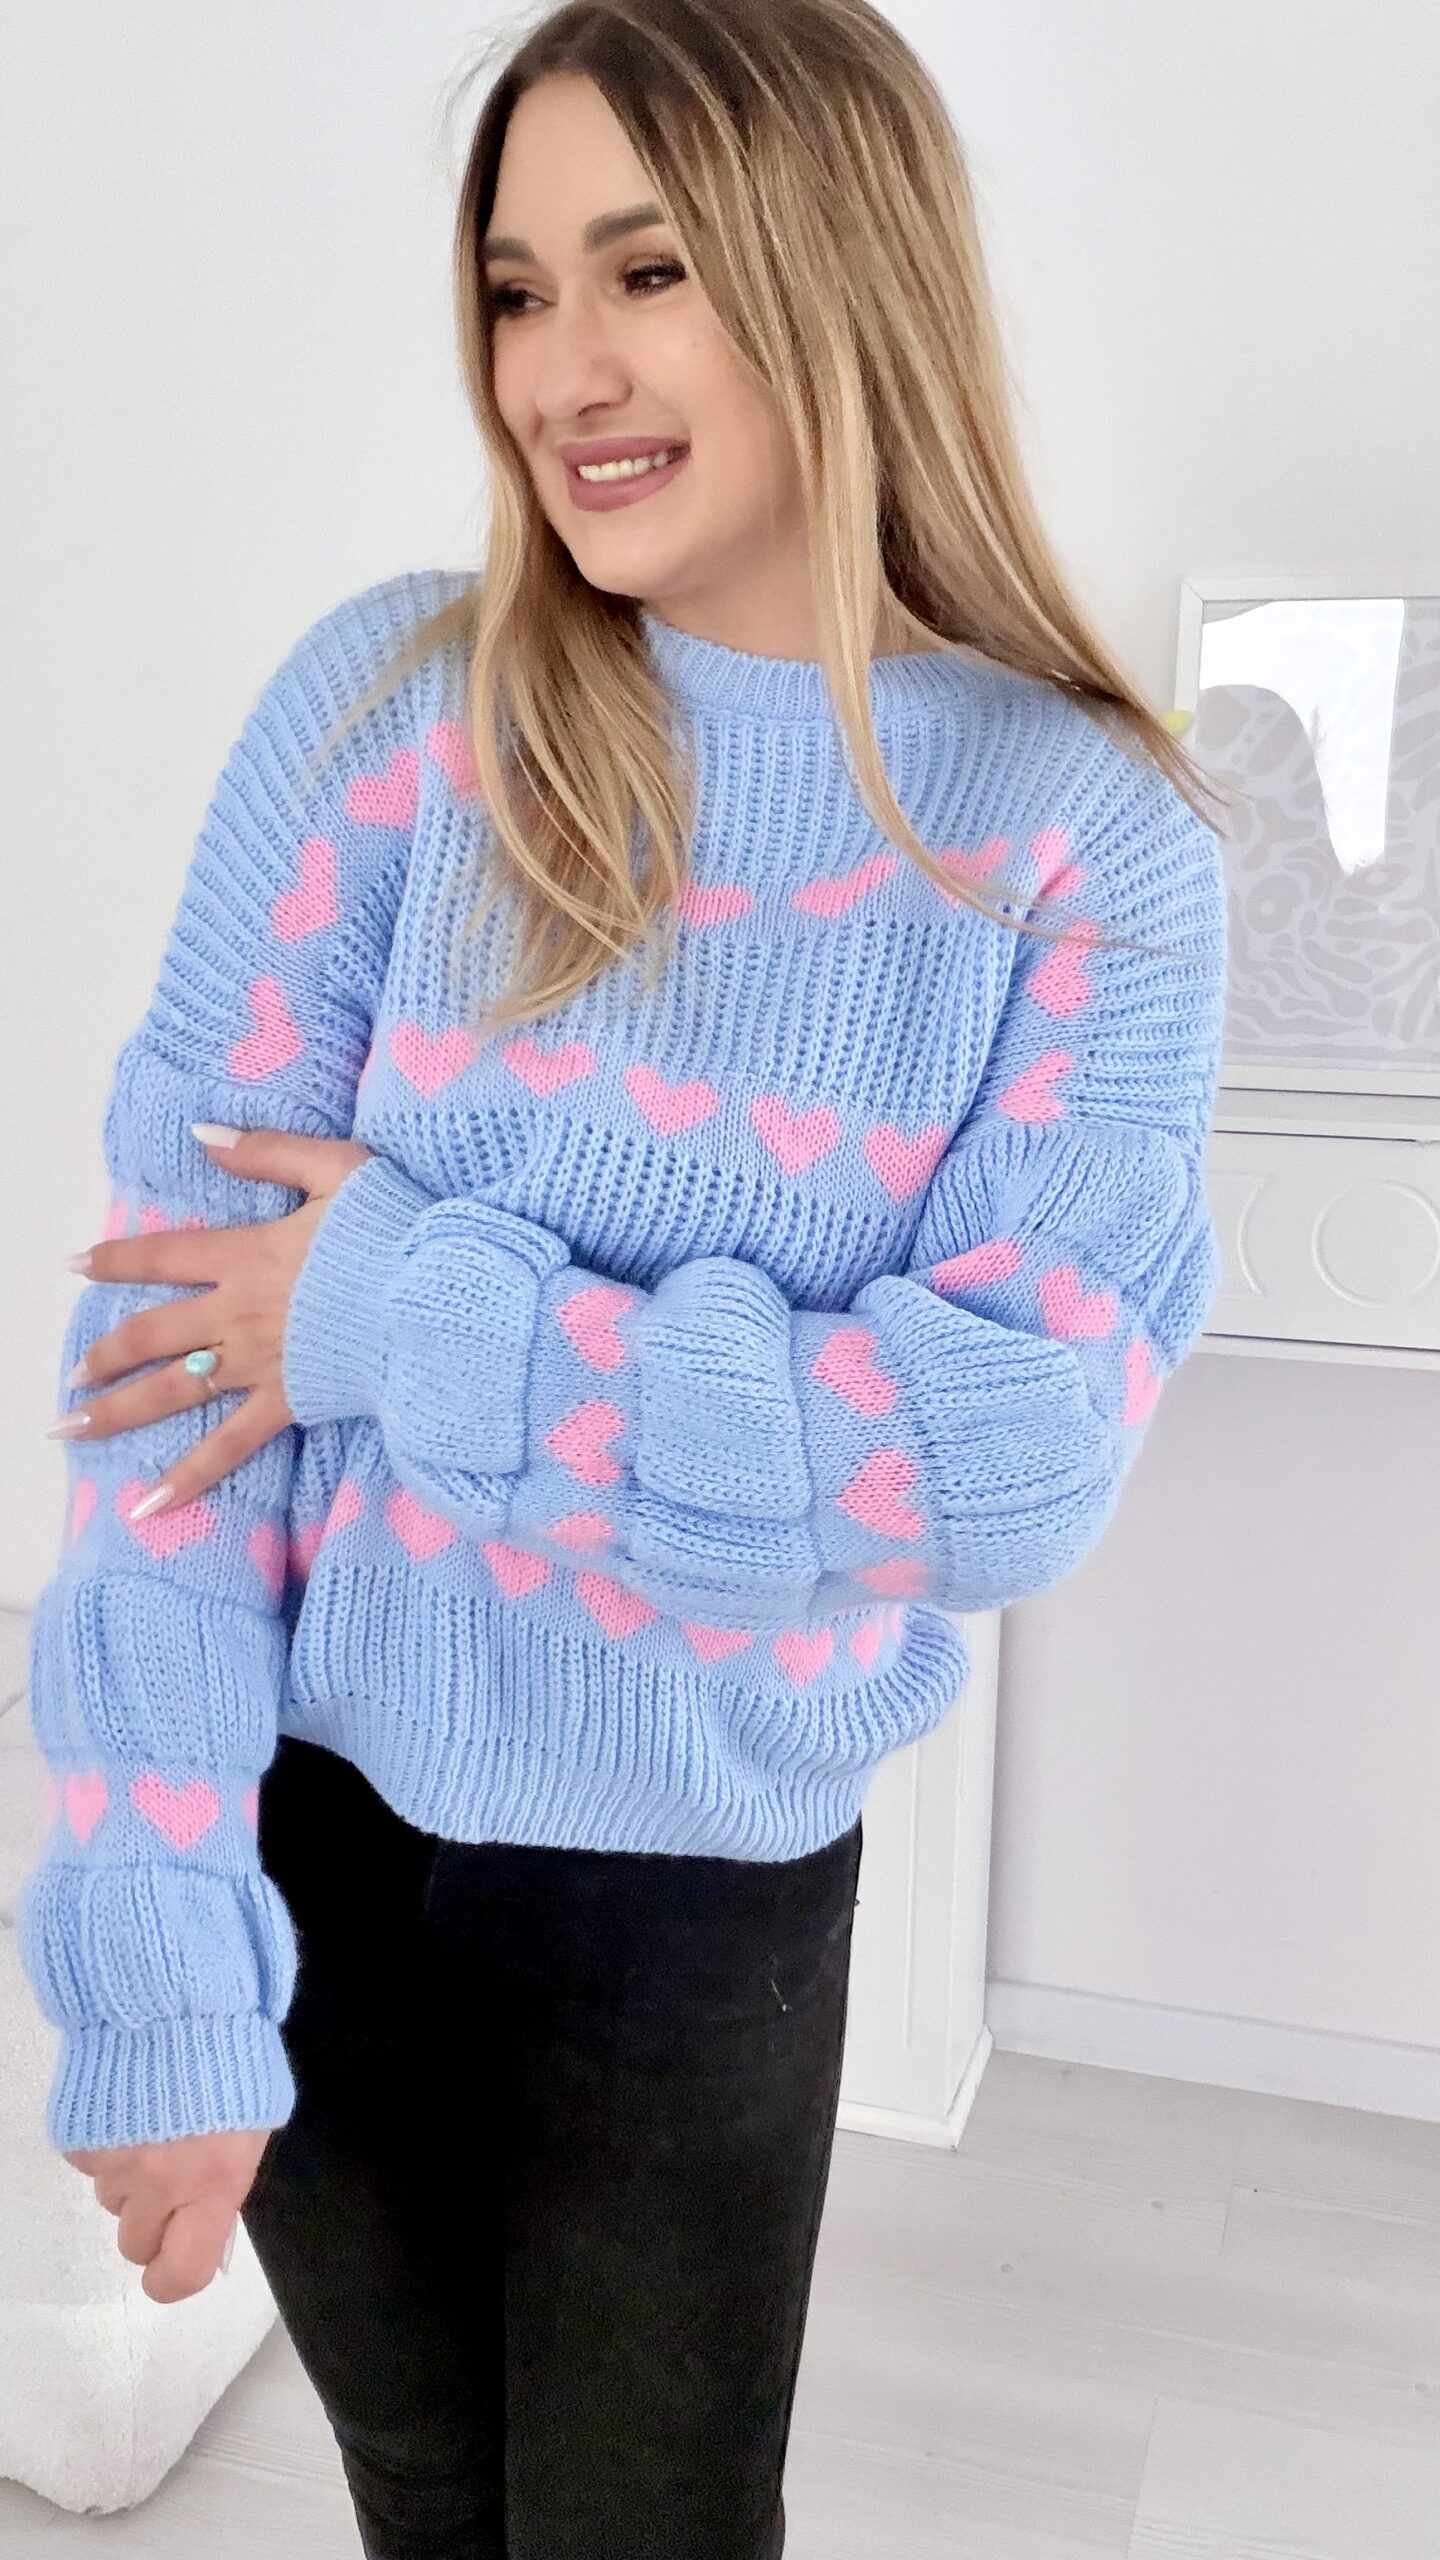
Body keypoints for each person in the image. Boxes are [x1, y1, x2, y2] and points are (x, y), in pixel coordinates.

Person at [16, 2, 1231, 2553]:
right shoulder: (388, 714)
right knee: (425, 2498)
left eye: (644, 272)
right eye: (514, 288)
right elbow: (162, 1373)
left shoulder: (1083, 840)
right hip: (316, 1830)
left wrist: (394, 1309)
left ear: (834, 266)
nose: (558, 369)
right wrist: (158, 1944)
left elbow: (993, 1462)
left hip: (697, 1905)